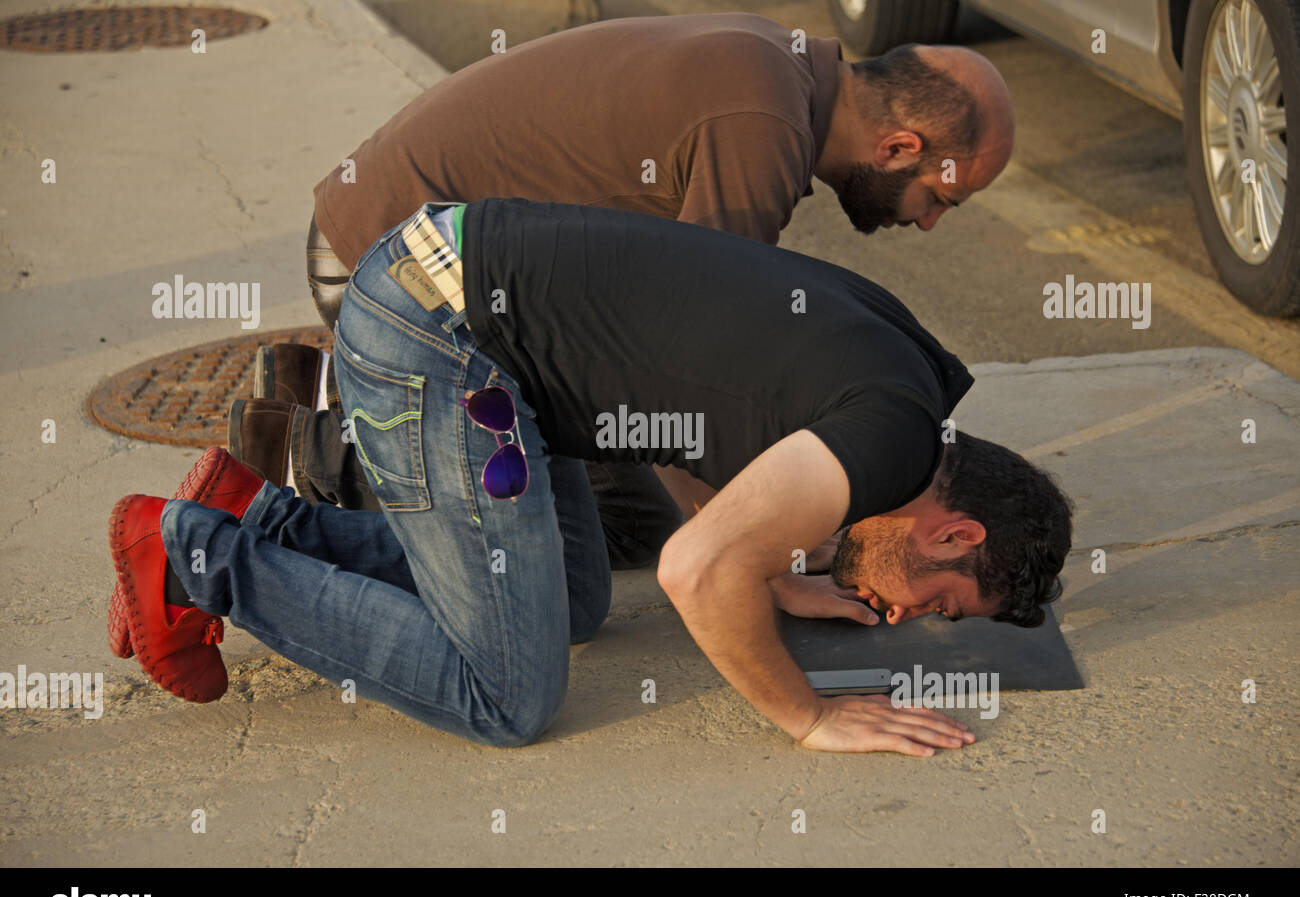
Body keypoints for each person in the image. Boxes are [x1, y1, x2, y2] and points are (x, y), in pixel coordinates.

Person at [108, 199, 1070, 755]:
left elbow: (686, 428)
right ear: (955, 532)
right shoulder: (894, 444)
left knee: (571, 603)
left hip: (470, 309)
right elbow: (696, 567)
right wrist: (809, 716)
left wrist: (772, 567)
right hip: (432, 338)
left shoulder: (915, 379)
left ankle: (263, 520)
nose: (906, 620)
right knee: (511, 696)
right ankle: (193, 555)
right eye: (939, 605)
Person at [236, 13, 1015, 572]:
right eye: (941, 199)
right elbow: (686, 369)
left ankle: (341, 395)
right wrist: (755, 538)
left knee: (641, 525)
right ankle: (323, 459)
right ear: (899, 147)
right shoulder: (757, 126)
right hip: (397, 280)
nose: (930, 226)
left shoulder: (778, 69)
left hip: (441, 265)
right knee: (554, 553)